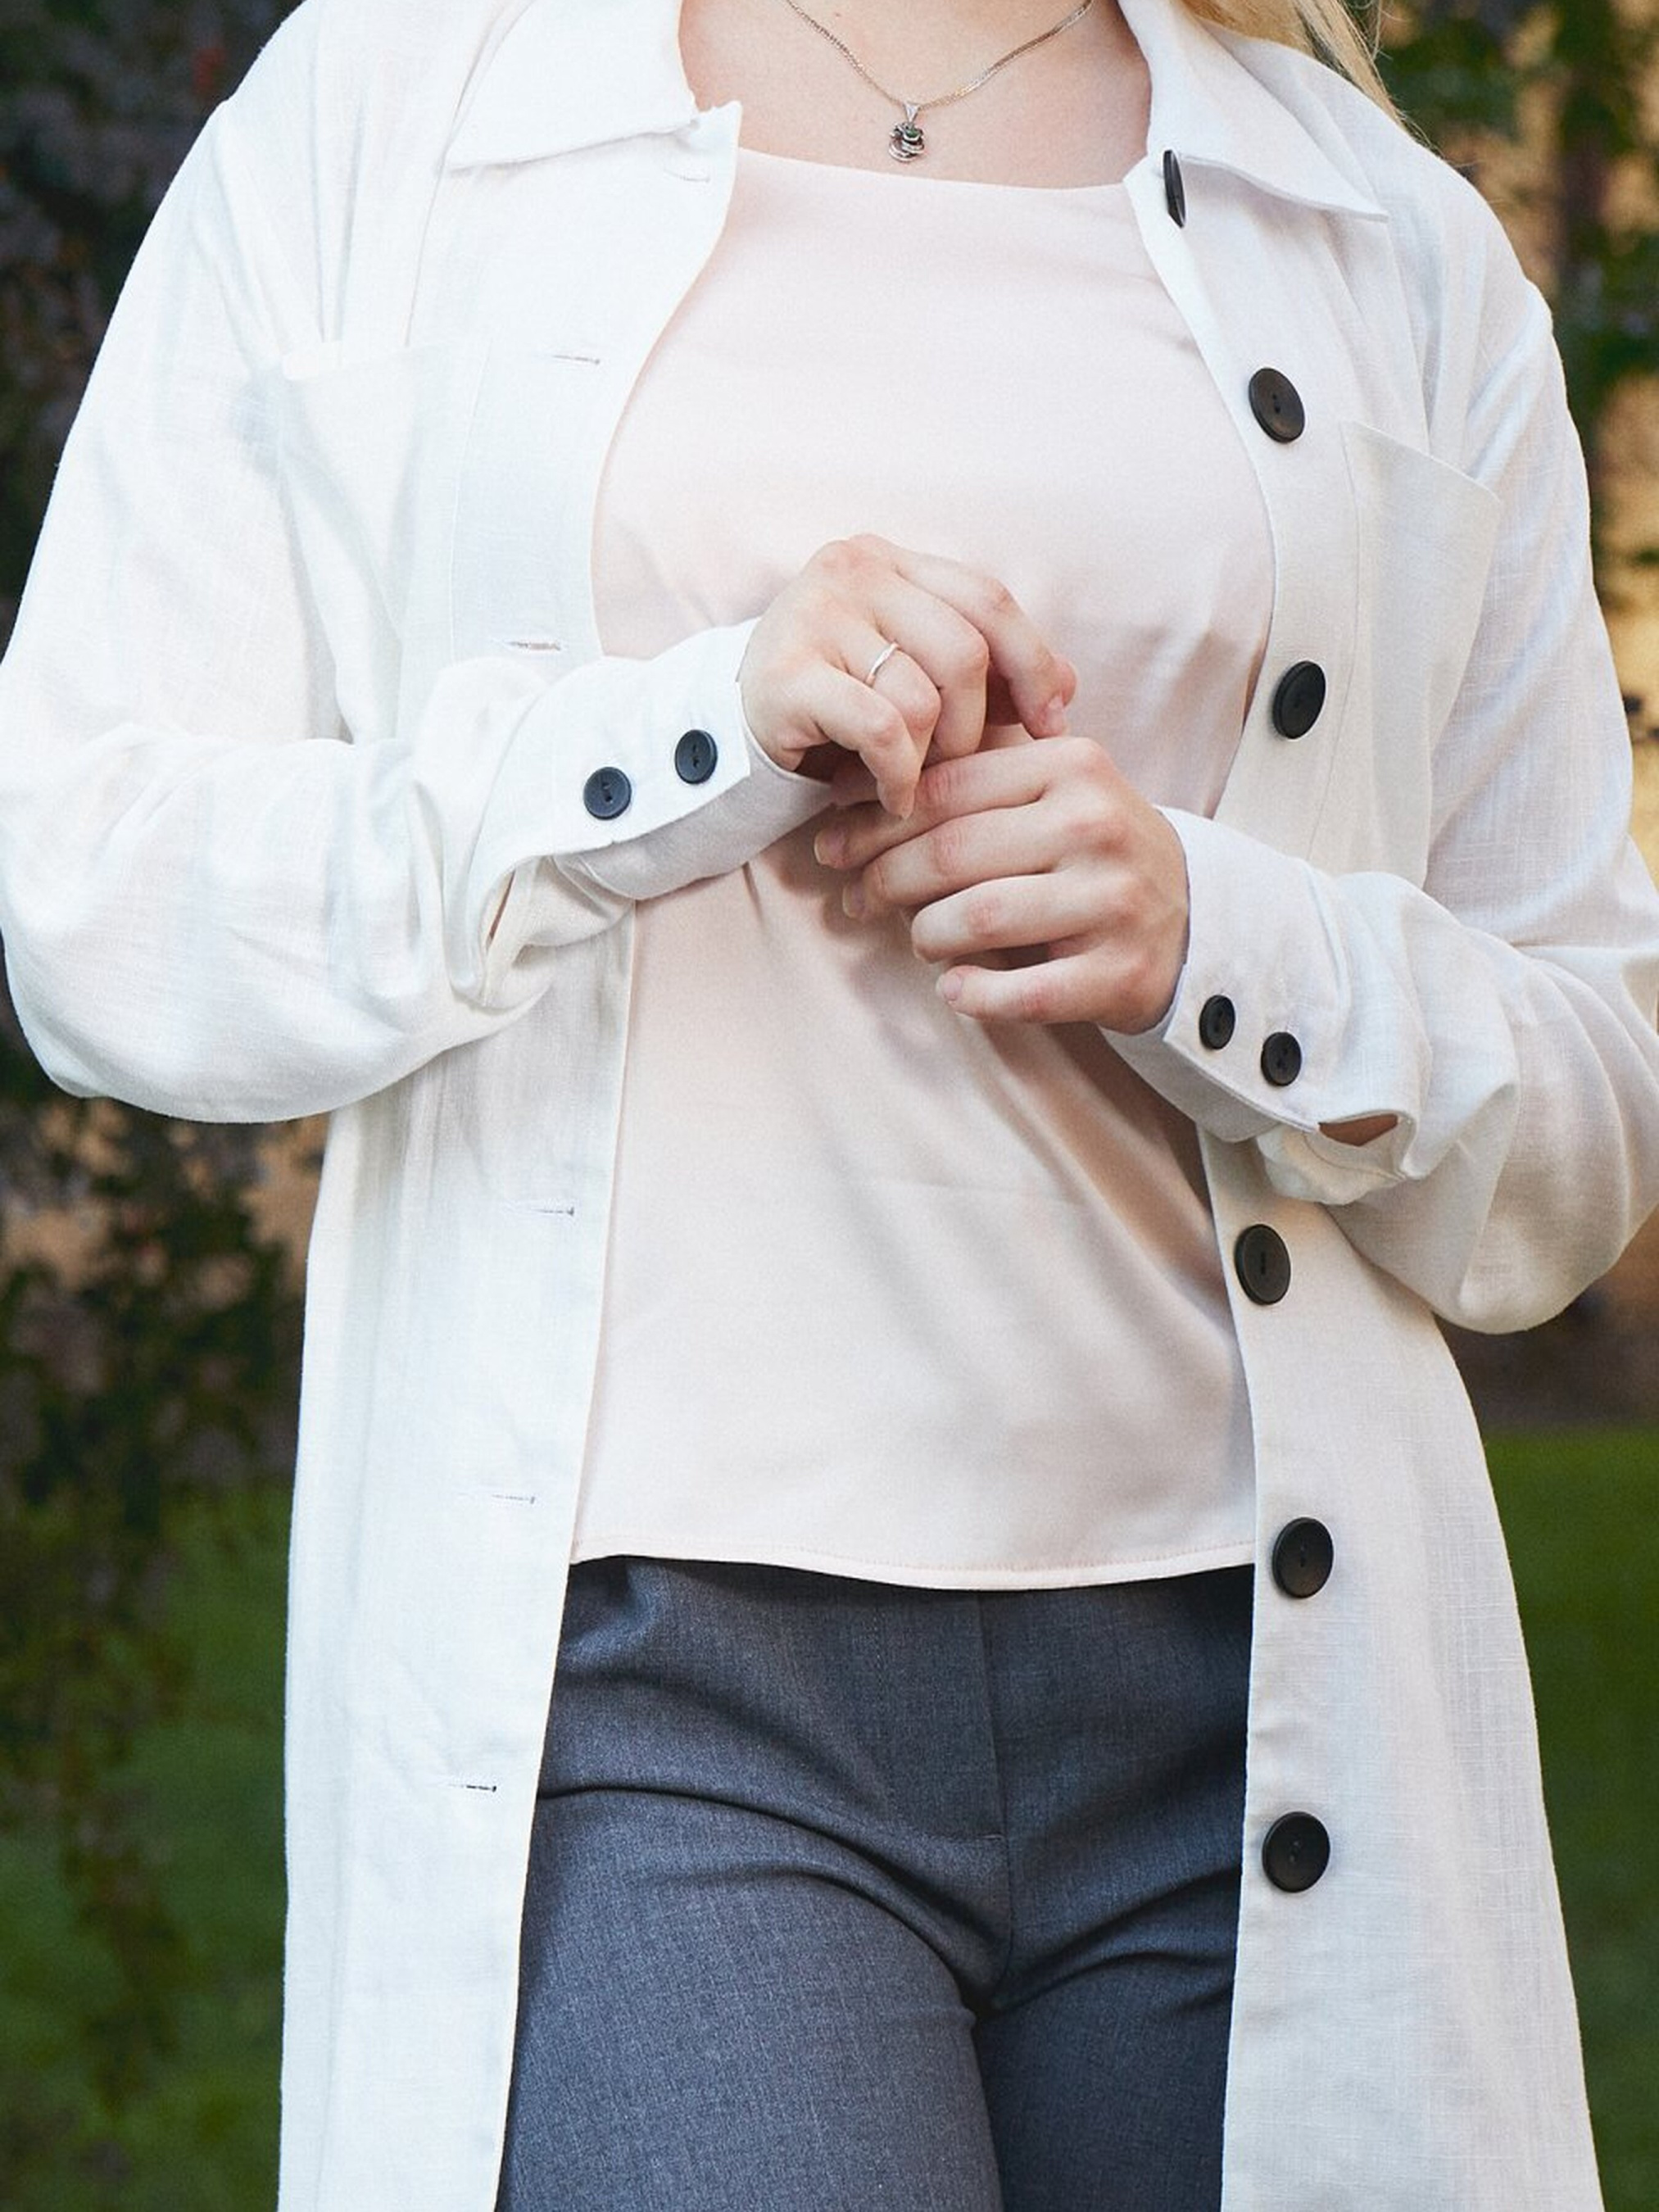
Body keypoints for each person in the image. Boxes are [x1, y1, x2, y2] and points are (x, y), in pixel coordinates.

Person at [1, 0, 1656, 2203]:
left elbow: (1586, 1110)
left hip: (1261, 1700)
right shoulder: (385, 111)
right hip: (658, 1693)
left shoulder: (1381, 236)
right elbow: (93, 888)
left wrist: (1218, 936)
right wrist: (680, 743)